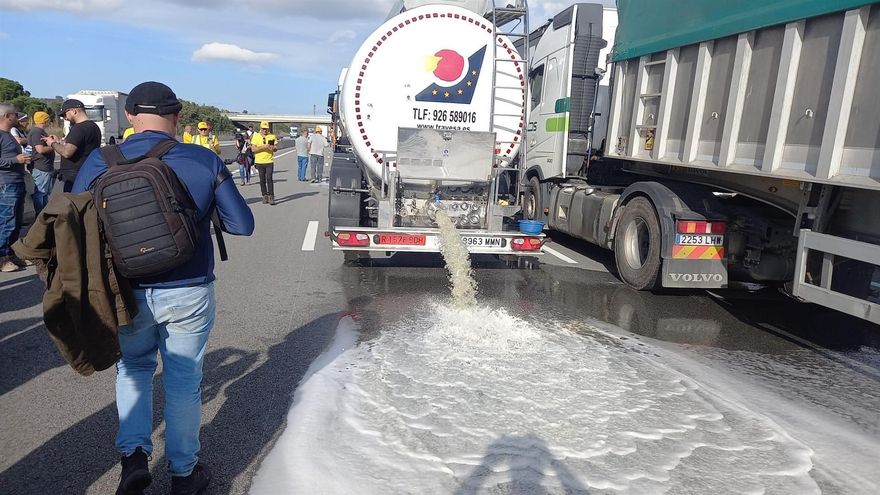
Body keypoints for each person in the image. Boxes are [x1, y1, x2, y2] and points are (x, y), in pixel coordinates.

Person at [72, 81, 254, 495]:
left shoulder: (99, 162)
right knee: (183, 380)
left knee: (133, 370)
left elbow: (74, 226)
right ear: (177, 117)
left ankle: (134, 459)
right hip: (188, 288)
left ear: (131, 116)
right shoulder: (202, 158)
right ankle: (184, 475)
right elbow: (243, 225)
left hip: (125, 289)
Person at [42, 98, 101, 192]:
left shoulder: (79, 128)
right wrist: (59, 142)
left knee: (72, 205)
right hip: (87, 174)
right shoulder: (94, 127)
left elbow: (67, 152)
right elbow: (80, 146)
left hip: (74, 179)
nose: (65, 118)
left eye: (65, 114)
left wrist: (52, 143)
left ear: (73, 111)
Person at [0, 104, 32, 272]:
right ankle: (2, 258)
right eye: (14, 114)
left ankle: (11, 254)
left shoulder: (8, 135)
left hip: (16, 182)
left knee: (15, 222)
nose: (17, 117)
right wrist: (16, 160)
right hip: (6, 184)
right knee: (7, 222)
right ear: (7, 116)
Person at [27, 111, 55, 216]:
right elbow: (40, 149)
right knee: (41, 192)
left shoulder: (38, 131)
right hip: (41, 166)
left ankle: (43, 213)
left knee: (44, 193)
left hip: (44, 166)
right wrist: (53, 145)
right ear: (46, 120)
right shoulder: (37, 132)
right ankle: (40, 215)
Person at [250, 121, 277, 204]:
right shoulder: (256, 136)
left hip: (269, 161)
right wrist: (263, 147)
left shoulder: (272, 136)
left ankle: (271, 196)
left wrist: (272, 148)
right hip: (259, 162)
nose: (265, 130)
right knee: (262, 180)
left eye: (266, 129)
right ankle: (264, 196)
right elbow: (253, 149)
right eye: (263, 129)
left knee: (269, 179)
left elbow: (276, 148)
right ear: (260, 128)